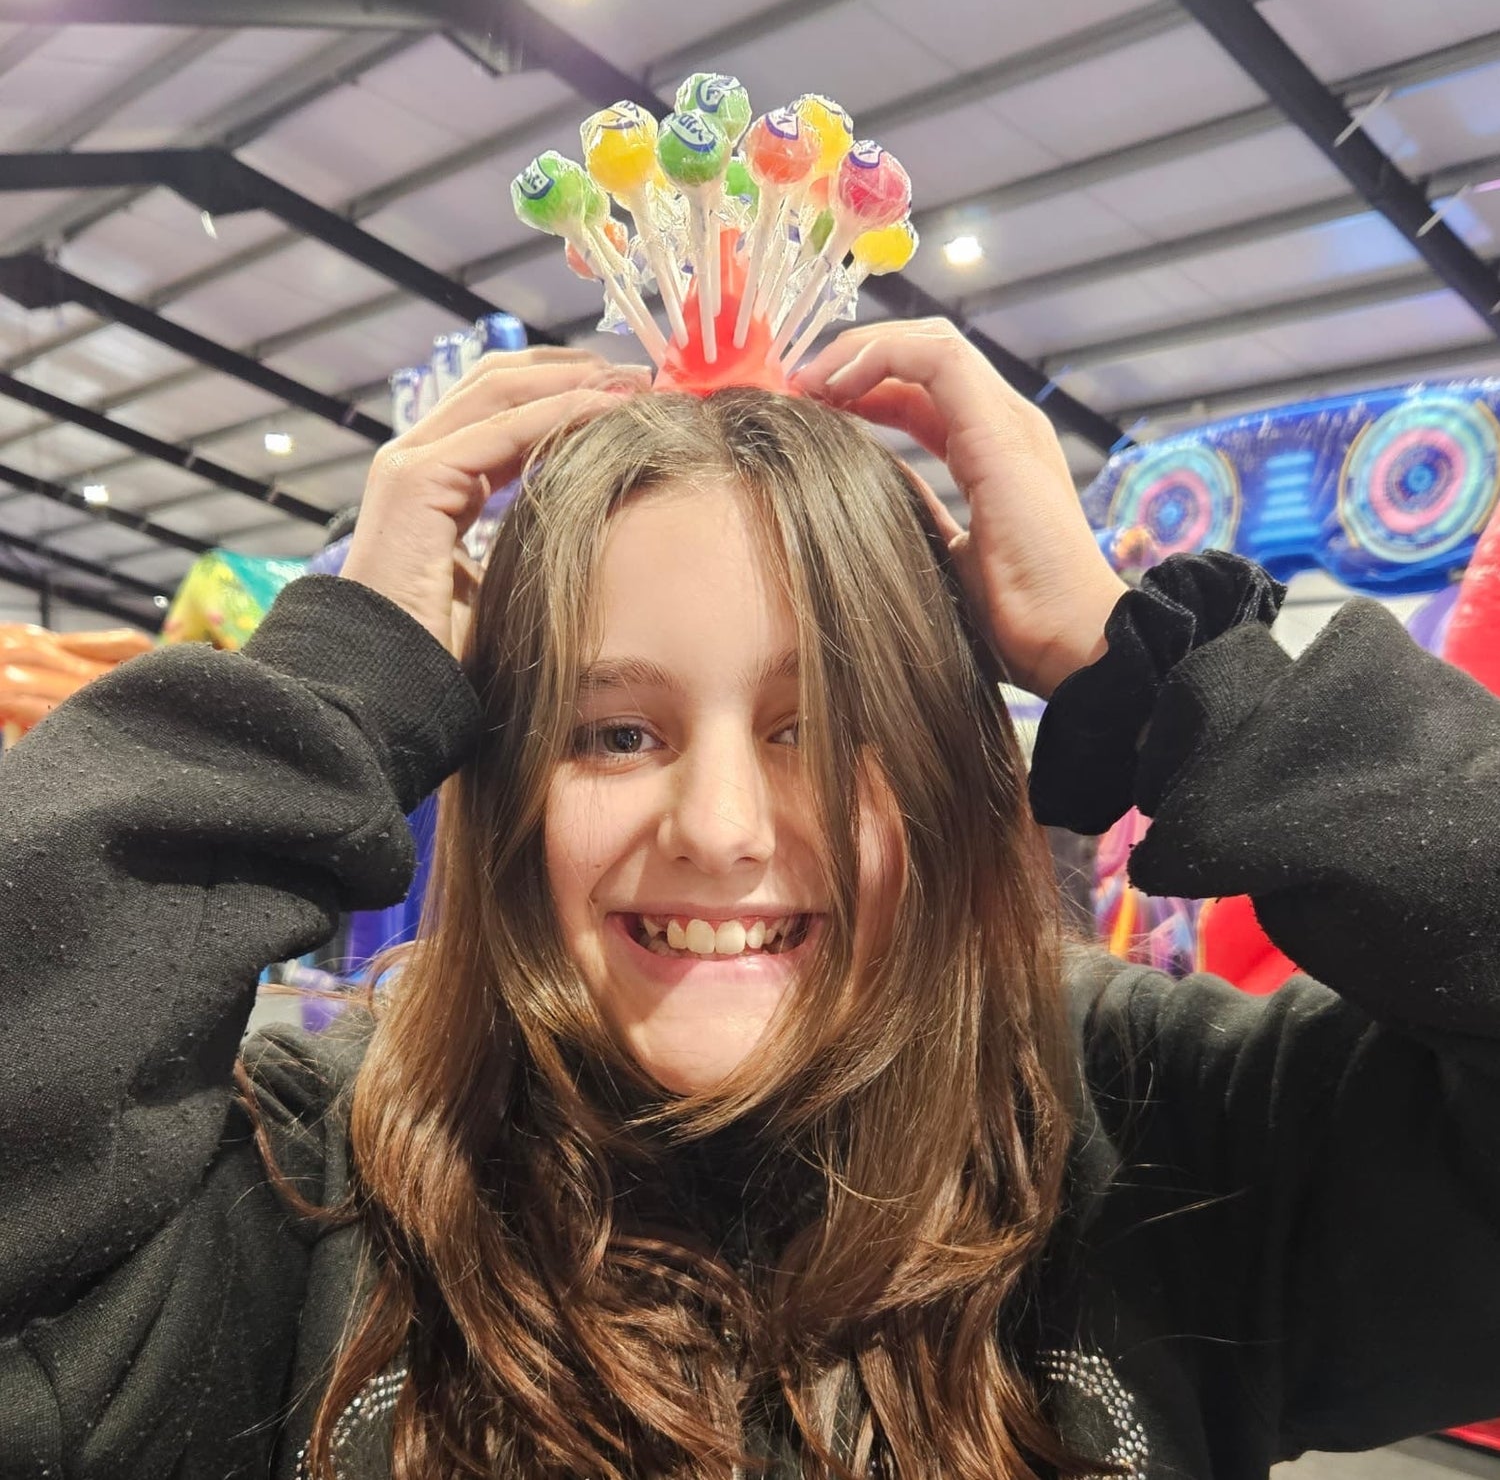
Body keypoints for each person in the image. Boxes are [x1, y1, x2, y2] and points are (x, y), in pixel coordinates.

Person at [1, 320, 1498, 1480]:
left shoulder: (1164, 1136)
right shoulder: (304, 1194)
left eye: (827, 727)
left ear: (938, 766)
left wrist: (1161, 674)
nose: (721, 830)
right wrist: (325, 690)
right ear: (511, 787)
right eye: (613, 732)